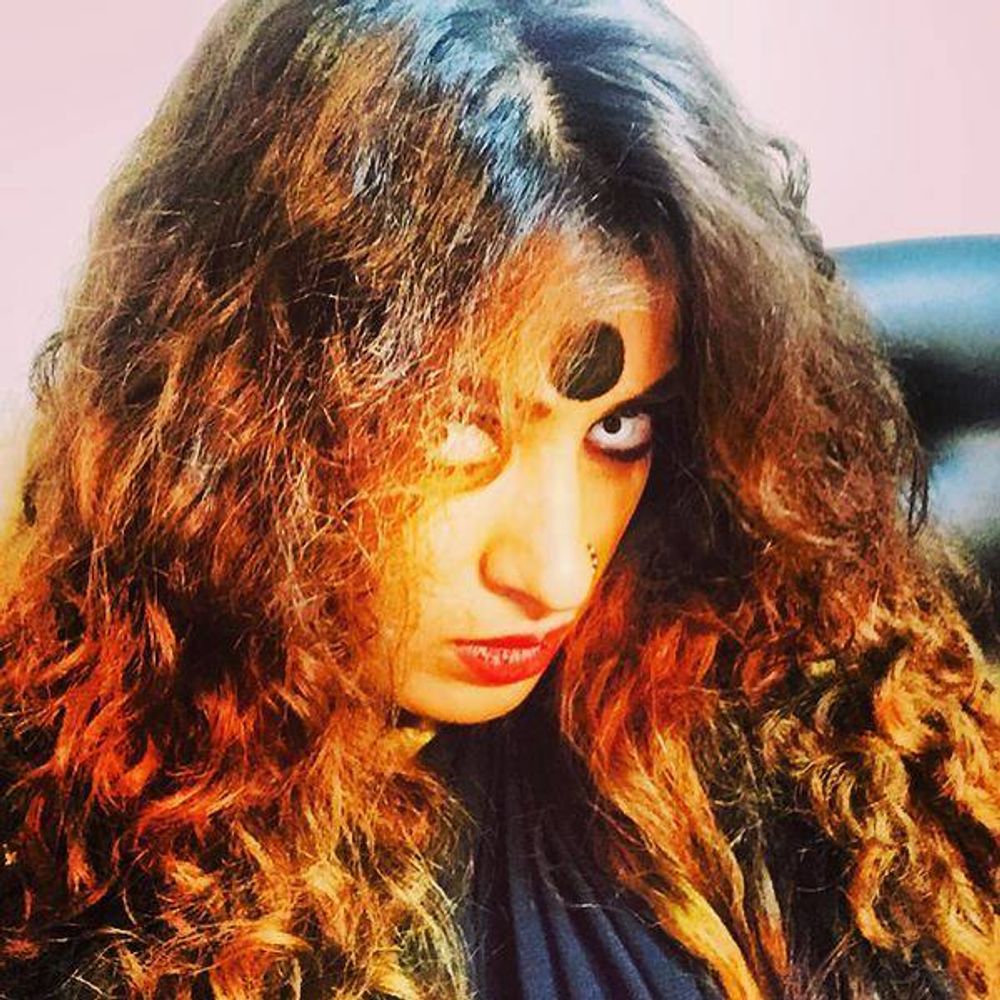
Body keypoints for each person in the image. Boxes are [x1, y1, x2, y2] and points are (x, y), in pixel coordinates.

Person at [1, 0, 997, 997]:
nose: (555, 574)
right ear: (243, 420)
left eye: (619, 427)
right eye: (449, 429)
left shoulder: (778, 711)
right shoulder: (96, 881)